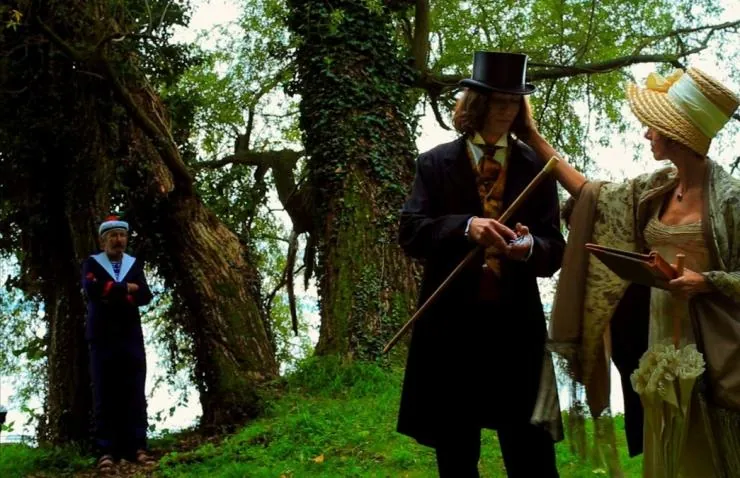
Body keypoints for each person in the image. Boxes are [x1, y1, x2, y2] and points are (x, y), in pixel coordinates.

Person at [524, 67, 740, 476]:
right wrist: (532, 137)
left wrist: (706, 281)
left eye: (653, 127)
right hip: (658, 334)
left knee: (705, 450)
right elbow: (592, 195)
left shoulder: (731, 200)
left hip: (712, 344)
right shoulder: (656, 188)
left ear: (676, 134)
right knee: (665, 441)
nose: (646, 134)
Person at [396, 51, 565, 478]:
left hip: (516, 327)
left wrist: (529, 247)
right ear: (477, 104)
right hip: (451, 328)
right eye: (497, 101)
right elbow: (412, 232)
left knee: (531, 453)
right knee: (456, 451)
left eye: (514, 102)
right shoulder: (434, 164)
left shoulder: (537, 167)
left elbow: (554, 248)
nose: (507, 110)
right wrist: (465, 226)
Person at [81, 215, 154, 472]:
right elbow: (92, 289)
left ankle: (137, 446)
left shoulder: (133, 264)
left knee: (134, 389)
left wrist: (113, 290)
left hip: (130, 334)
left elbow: (145, 294)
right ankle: (106, 450)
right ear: (103, 240)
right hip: (101, 335)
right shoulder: (92, 263)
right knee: (104, 390)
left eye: (122, 235)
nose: (118, 240)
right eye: (113, 236)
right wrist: (127, 289)